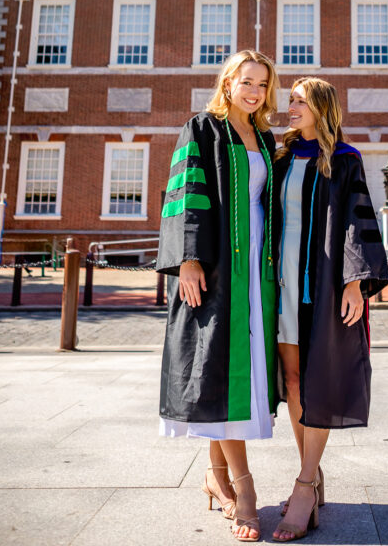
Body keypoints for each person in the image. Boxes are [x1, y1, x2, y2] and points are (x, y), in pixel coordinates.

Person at [156, 49, 281, 542]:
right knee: (219, 369)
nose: (254, 91)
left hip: (258, 264)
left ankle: (214, 476)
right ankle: (244, 491)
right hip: (218, 264)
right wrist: (188, 259)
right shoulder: (202, 129)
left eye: (263, 85)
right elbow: (187, 194)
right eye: (247, 81)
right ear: (228, 82)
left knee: (234, 369)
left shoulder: (265, 137)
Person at [271, 77, 388, 542]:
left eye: (299, 101)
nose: (291, 106)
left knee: (318, 378)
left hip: (321, 287)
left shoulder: (344, 159)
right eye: (292, 100)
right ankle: (313, 474)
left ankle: (303, 485)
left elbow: (358, 221)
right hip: (279, 286)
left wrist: (356, 282)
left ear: (321, 108)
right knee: (295, 381)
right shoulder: (280, 158)